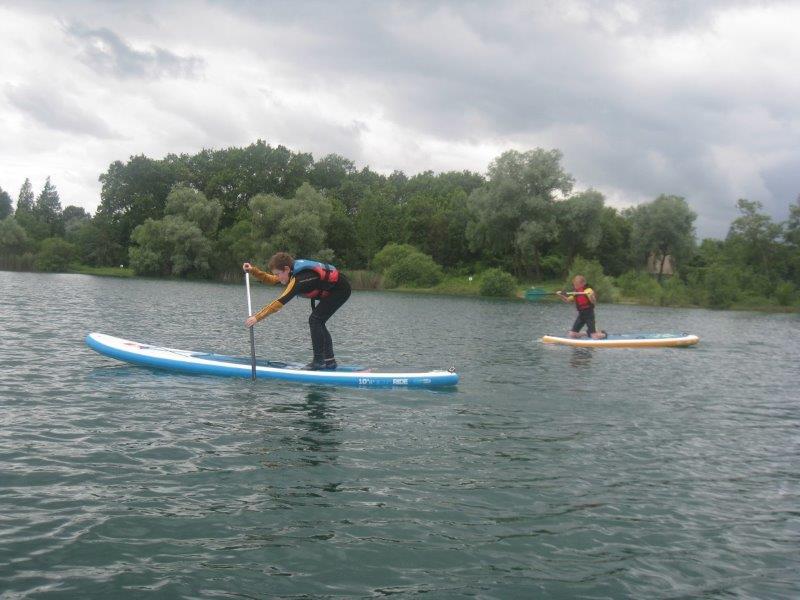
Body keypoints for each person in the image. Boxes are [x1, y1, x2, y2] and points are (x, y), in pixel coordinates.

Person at [243, 252, 351, 370]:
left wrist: (256, 318)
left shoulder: (298, 280)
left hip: (340, 290)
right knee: (318, 321)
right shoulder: (290, 273)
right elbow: (272, 280)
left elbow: (278, 303)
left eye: (278, 274)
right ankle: (329, 362)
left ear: (286, 269)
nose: (277, 277)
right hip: (336, 289)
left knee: (315, 320)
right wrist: (252, 270)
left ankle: (319, 362)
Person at [556, 275, 607, 339]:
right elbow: (567, 300)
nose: (575, 286)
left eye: (577, 285)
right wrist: (560, 295)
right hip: (581, 315)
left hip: (589, 315)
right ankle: (586, 333)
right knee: (572, 334)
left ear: (583, 284)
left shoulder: (588, 290)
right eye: (575, 285)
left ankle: (604, 334)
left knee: (594, 336)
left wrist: (591, 296)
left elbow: (594, 302)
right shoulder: (576, 292)